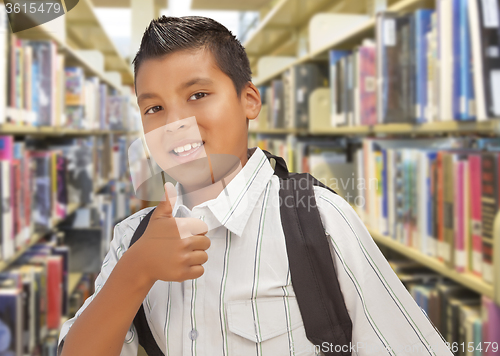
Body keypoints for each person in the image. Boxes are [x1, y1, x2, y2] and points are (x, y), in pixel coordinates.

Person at [57, 16, 453, 356]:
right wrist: (136, 272)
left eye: (198, 95)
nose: (176, 123)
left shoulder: (317, 218)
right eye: (154, 108)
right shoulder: (133, 238)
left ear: (249, 100)